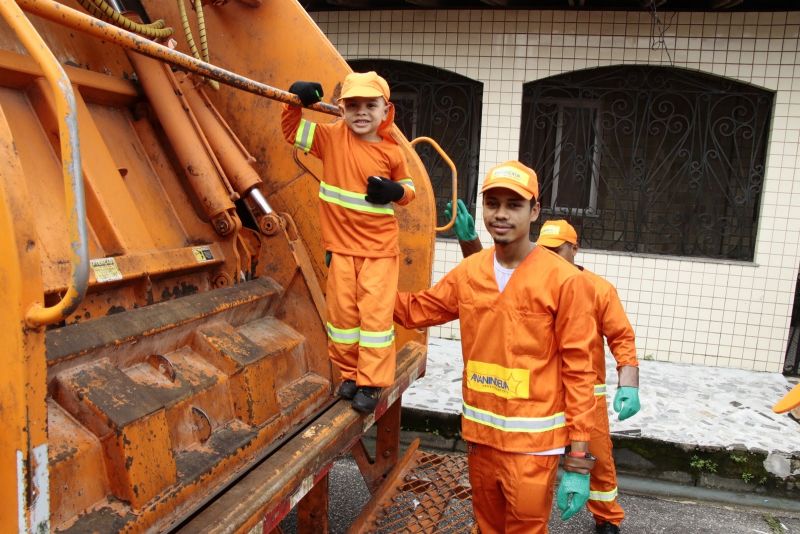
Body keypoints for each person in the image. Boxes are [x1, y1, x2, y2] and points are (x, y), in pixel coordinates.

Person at [394, 161, 597, 533]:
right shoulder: (471, 273)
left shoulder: (564, 281)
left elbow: (580, 372)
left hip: (534, 448)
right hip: (481, 440)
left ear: (534, 211)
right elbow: (416, 310)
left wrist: (579, 461)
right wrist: (359, 279)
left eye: (513, 204)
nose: (501, 214)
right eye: (493, 203)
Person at [449, 204, 641, 534]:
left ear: (574, 248)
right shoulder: (536, 279)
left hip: (585, 394)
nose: (550, 254)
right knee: (528, 474)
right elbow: (490, 288)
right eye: (546, 248)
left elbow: (621, 335)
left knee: (596, 459)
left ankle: (606, 516)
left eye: (557, 249)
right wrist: (471, 245)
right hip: (540, 399)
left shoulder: (597, 289)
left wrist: (629, 380)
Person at [282, 71, 416, 413]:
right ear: (341, 109)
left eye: (370, 105)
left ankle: (371, 384)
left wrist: (396, 191)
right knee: (342, 320)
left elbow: (410, 191)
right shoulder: (331, 138)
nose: (361, 112)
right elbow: (291, 132)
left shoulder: (392, 153)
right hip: (342, 251)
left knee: (374, 321)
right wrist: (295, 101)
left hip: (379, 253)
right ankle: (352, 376)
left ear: (386, 111)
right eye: (352, 105)